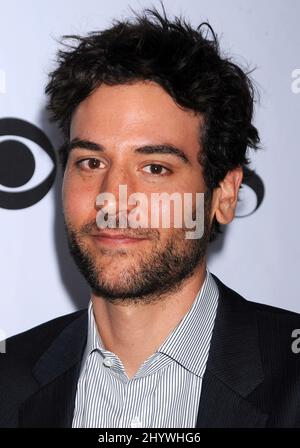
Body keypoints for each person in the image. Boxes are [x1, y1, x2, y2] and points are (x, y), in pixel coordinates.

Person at [1, 4, 300, 428]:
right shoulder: (9, 379)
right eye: (90, 162)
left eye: (155, 168)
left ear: (225, 195)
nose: (112, 200)